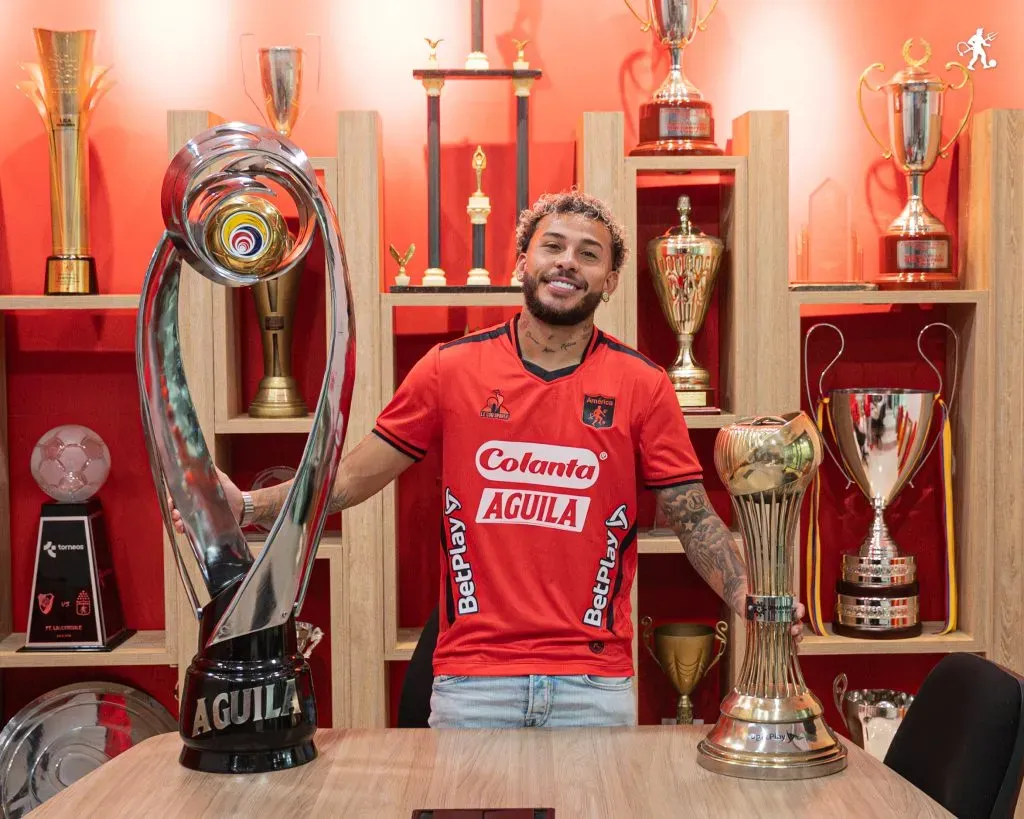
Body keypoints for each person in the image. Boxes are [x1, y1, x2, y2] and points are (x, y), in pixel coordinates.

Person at [170, 190, 805, 729]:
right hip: (473, 683)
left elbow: (692, 519)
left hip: (595, 686)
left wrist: (749, 590)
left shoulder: (643, 385)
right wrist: (249, 507)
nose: (568, 263)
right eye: (553, 246)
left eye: (590, 254)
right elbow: (354, 476)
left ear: (611, 280)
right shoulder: (450, 369)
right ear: (522, 259)